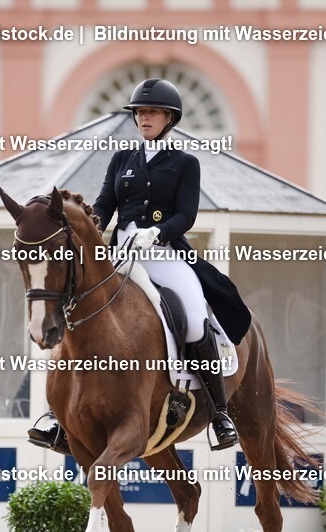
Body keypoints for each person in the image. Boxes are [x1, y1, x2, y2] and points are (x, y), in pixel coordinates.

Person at [27, 78, 251, 454]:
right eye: (140, 112)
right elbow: (102, 207)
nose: (144, 118)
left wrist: (157, 232)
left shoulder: (184, 163)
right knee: (77, 312)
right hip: (121, 254)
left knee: (195, 315)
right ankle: (57, 414)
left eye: (151, 112)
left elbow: (186, 215)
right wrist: (87, 228)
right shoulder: (121, 160)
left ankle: (218, 413)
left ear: (169, 118)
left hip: (163, 254)